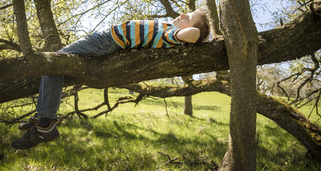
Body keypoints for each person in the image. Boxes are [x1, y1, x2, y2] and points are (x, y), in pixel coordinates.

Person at [11, 9, 210, 149]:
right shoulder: (167, 27)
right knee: (55, 65)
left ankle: (45, 123)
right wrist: (190, 21)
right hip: (107, 38)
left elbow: (193, 34)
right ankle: (43, 118)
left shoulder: (170, 34)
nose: (182, 14)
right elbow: (191, 31)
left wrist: (196, 29)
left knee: (53, 62)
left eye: (188, 17)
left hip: (107, 40)